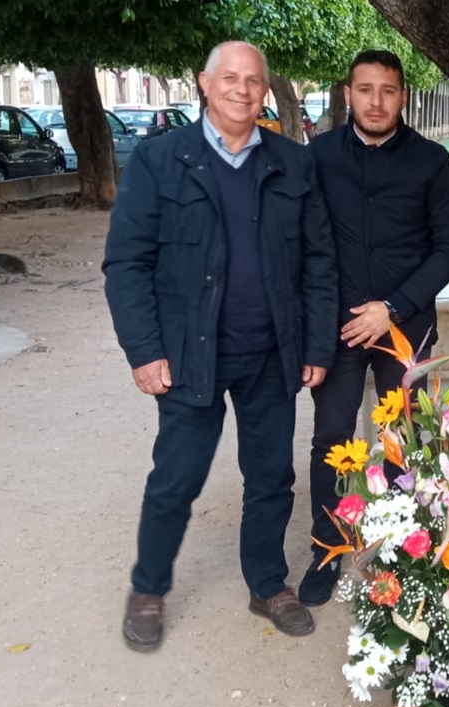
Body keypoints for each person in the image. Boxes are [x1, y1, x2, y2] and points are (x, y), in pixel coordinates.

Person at [103, 41, 338, 651]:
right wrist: (143, 350)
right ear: (205, 85)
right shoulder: (160, 160)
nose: (241, 89)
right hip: (188, 356)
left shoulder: (292, 162)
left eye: (252, 80)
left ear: (265, 91)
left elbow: (318, 262)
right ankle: (149, 588)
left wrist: (315, 343)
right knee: (176, 479)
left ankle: (267, 584)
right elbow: (127, 263)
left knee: (270, 477)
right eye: (228, 78)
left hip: (271, 355)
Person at [298, 50, 449, 606]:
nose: (375, 101)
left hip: (406, 323)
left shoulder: (431, 161)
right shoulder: (317, 156)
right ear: (349, 93)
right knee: (332, 440)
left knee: (405, 442)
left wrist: (391, 307)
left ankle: (400, 548)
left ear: (403, 97)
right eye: (365, 89)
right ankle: (328, 547)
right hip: (337, 327)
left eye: (388, 90)